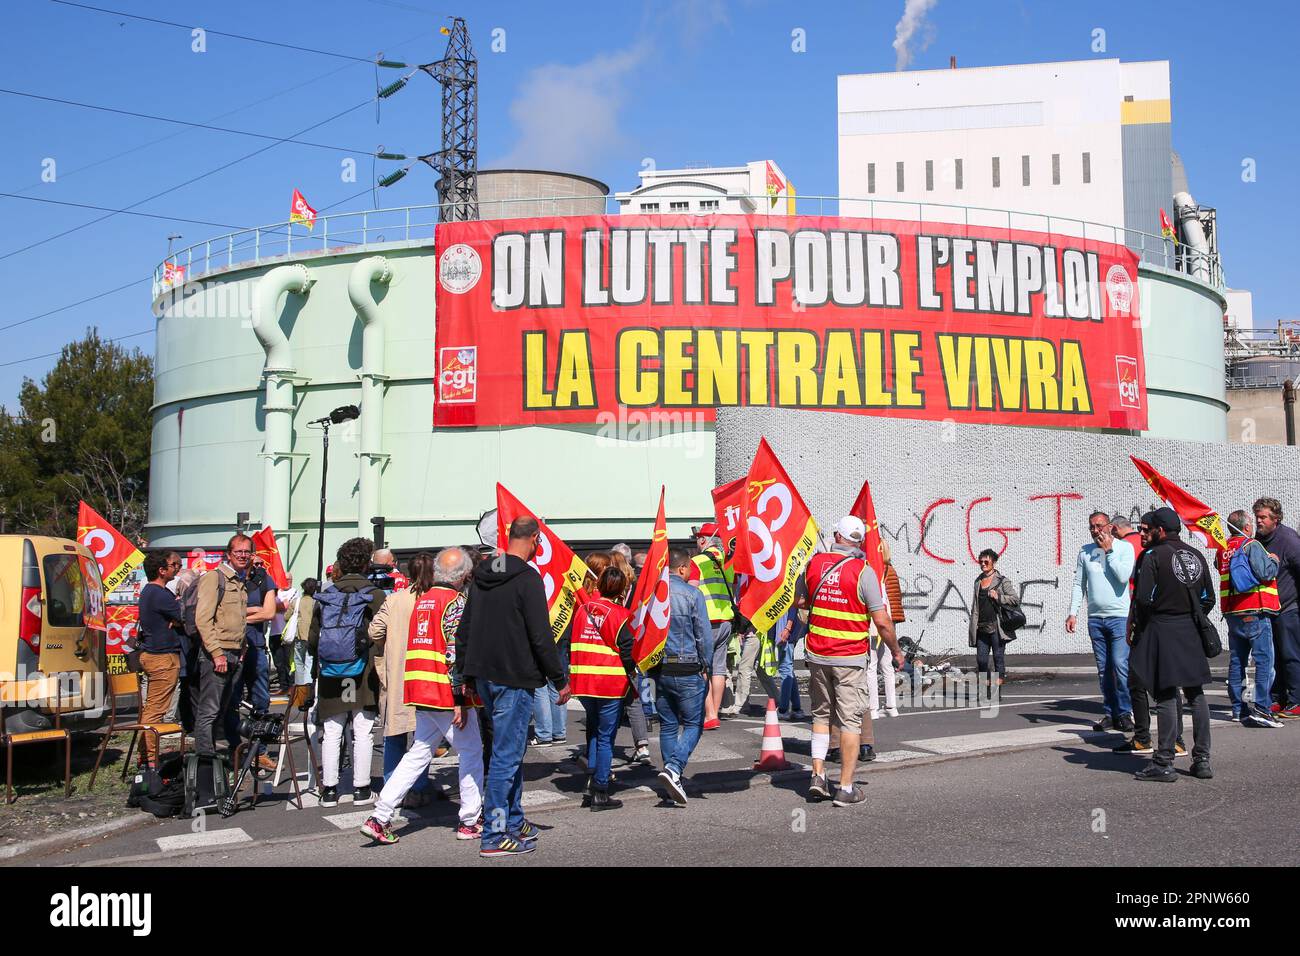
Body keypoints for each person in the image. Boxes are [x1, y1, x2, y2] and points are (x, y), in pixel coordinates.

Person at [455, 517, 570, 858]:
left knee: (509, 752)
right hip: (514, 676)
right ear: (534, 539)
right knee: (507, 755)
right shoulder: (528, 578)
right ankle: (494, 832)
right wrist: (559, 679)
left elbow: (466, 627)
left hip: (486, 675)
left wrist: (464, 677)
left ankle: (514, 819)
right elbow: (541, 635)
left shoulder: (485, 572)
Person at [361, 548, 485, 844]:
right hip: (444, 690)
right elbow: (455, 651)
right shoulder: (456, 602)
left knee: (419, 752)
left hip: (418, 685)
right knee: (471, 751)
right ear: (464, 575)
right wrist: (459, 698)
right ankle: (470, 819)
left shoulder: (424, 599)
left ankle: (380, 815)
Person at [804, 517, 904, 807]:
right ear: (860, 542)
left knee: (821, 716)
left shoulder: (814, 564)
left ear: (837, 536)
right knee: (850, 721)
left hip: (817, 654)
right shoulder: (864, 572)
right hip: (849, 657)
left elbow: (801, 602)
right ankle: (845, 788)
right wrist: (896, 652)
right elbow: (882, 621)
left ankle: (818, 775)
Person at [1129, 507, 1214, 782]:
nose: (1145, 533)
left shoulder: (1152, 556)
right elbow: (1208, 598)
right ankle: (1202, 760)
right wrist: (1192, 615)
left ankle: (1163, 761)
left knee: (1165, 693)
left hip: (1162, 628)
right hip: (1189, 628)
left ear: (1160, 531)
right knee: (1195, 693)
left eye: (1148, 529)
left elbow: (1143, 599)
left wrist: (1140, 628)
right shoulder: (1196, 555)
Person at [309, 537, 386, 807]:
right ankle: (361, 789)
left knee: (332, 730)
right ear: (367, 562)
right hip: (362, 669)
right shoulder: (374, 594)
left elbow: (312, 641)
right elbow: (382, 632)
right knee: (362, 730)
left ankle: (329, 790)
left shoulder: (326, 594)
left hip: (332, 669)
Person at [368, 553, 435, 807]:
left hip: (397, 674)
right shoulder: (436, 600)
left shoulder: (394, 600)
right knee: (424, 736)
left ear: (408, 575)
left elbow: (374, 631)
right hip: (426, 674)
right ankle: (418, 786)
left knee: (394, 733)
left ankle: (391, 786)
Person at [570, 566, 637, 811]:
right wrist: (633, 671)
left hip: (583, 682)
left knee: (596, 732)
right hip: (609, 683)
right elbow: (628, 649)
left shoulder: (582, 609)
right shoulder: (620, 614)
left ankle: (591, 780)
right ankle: (600, 790)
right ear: (621, 589)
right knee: (607, 737)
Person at [651, 548, 713, 806]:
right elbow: (703, 633)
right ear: (683, 568)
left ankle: (670, 775)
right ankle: (674, 769)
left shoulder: (654, 595)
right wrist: (706, 664)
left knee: (667, 724)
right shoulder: (692, 594)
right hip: (688, 668)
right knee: (693, 724)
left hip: (661, 668)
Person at [1066, 511, 1136, 733]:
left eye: (1099, 526)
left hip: (1119, 616)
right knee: (1104, 669)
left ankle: (1126, 712)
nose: (1096, 531)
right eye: (1092, 527)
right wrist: (1073, 612)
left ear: (1110, 527)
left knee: (1119, 664)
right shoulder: (1086, 552)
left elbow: (1123, 576)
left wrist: (1110, 551)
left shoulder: (1125, 548)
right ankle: (1110, 713)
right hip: (1096, 618)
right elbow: (1079, 583)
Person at [1219, 510, 1283, 727]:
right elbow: (1265, 572)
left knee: (1237, 661)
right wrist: (1273, 560)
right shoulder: (1251, 545)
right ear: (1246, 527)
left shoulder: (1223, 549)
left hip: (1232, 612)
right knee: (1264, 661)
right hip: (1254, 610)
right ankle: (1263, 709)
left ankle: (1238, 709)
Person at [193, 535, 252, 757]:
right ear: (229, 554)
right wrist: (217, 654)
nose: (243, 556)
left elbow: (238, 618)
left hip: (235, 653)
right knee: (209, 710)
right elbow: (203, 619)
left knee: (223, 709)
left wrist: (243, 647)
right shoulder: (214, 578)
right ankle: (204, 761)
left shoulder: (240, 581)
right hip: (217, 654)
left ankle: (215, 757)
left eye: (247, 552)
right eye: (238, 551)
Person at [224, 555, 279, 771]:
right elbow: (221, 613)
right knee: (231, 701)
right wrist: (253, 610)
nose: (253, 565)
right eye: (250, 561)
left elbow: (269, 613)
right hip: (232, 648)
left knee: (261, 701)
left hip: (255, 647)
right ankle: (235, 749)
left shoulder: (264, 580)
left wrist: (239, 613)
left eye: (257, 563)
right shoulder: (227, 580)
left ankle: (260, 751)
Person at [1252, 497, 1300, 718]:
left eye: (1263, 517)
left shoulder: (1288, 540)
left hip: (1288, 608)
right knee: (1274, 657)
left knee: (1291, 655)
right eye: (1257, 517)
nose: (1258, 521)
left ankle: (1296, 701)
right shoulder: (1258, 539)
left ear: (1276, 518)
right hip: (1268, 608)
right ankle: (1277, 699)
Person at [136, 550, 184, 768]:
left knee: (152, 708)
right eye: (175, 565)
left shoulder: (150, 592)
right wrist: (178, 619)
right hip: (162, 657)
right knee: (156, 710)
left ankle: (145, 755)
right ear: (161, 570)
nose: (178, 568)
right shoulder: (159, 594)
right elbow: (186, 616)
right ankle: (150, 760)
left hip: (155, 655)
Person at [689, 524, 739, 728]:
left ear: (703, 540)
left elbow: (691, 592)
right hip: (725, 620)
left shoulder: (697, 561)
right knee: (719, 668)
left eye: (697, 539)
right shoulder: (727, 561)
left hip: (705, 622)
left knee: (703, 668)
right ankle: (714, 713)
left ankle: (709, 714)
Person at [968, 549, 1020, 692]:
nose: (983, 564)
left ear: (994, 562)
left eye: (986, 562)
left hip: (997, 628)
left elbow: (1015, 599)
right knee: (982, 660)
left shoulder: (1002, 581)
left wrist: (998, 596)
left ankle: (996, 689)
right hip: (981, 628)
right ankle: (987, 685)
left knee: (998, 658)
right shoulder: (978, 581)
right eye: (981, 562)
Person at [868, 541, 905, 719]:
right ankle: (891, 706)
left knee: (871, 665)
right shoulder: (890, 570)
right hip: (889, 622)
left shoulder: (870, 570)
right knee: (887, 665)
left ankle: (873, 708)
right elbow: (895, 599)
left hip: (873, 622)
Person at [268, 573, 297, 693]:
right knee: (278, 661)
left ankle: (291, 686)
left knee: (288, 662)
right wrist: (275, 606)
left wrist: (272, 606)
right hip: (274, 631)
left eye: (289, 579)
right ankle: (282, 685)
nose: (287, 581)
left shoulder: (294, 592)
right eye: (285, 579)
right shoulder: (276, 592)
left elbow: (286, 606)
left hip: (287, 633)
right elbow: (271, 607)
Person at [776, 605, 806, 720]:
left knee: (785, 669)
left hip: (786, 631)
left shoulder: (787, 586)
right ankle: (797, 708)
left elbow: (792, 607)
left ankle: (783, 710)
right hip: (789, 630)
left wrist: (786, 628)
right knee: (788, 669)